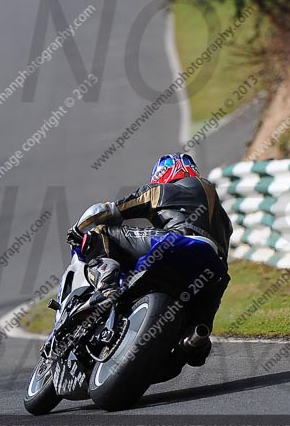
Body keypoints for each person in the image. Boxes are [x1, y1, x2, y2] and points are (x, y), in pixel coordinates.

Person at [66, 153, 232, 366]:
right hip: (215, 272)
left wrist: (77, 229)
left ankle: (106, 288)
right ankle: (195, 339)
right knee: (195, 340)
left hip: (177, 242)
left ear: (163, 174)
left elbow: (105, 211)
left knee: (101, 232)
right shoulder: (224, 218)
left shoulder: (162, 190)